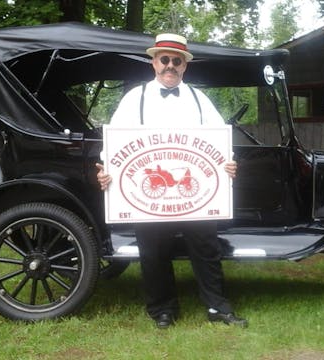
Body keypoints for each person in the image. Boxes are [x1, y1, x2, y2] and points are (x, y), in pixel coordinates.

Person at [95, 33, 246, 329]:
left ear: (184, 66)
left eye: (177, 61)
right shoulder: (133, 98)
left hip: (196, 195)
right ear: (154, 62)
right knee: (153, 251)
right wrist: (106, 170)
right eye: (164, 59)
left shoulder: (199, 100)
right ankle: (162, 309)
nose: (170, 66)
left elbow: (219, 140)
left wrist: (228, 164)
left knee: (206, 248)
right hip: (148, 196)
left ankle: (217, 307)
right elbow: (113, 144)